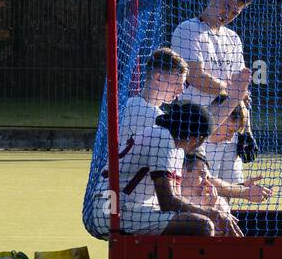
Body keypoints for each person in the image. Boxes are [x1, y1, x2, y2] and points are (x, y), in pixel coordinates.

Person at [91, 100, 241, 238]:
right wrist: (211, 213)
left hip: (120, 208)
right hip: (113, 211)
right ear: (197, 138)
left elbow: (175, 199)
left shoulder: (174, 147)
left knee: (200, 221)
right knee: (203, 225)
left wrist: (209, 209)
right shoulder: (162, 138)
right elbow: (167, 202)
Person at [172, 0, 258, 182]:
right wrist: (231, 91)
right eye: (226, 6)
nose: (227, 14)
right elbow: (196, 77)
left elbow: (242, 93)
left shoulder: (233, 39)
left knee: (231, 193)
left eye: (235, 12)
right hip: (199, 131)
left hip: (229, 135)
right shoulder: (187, 30)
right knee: (200, 191)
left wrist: (246, 131)